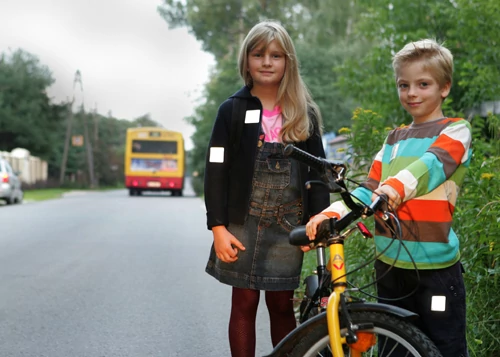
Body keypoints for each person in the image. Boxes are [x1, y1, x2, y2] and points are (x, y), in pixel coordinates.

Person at [306, 39, 472, 357]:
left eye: (423, 84)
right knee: (394, 348)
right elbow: (367, 189)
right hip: (389, 267)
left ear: (444, 88)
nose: (412, 93)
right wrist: (331, 214)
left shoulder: (455, 131)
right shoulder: (393, 140)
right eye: (403, 84)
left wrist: (392, 189)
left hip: (436, 269)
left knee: (445, 346)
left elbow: (432, 166)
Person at [204, 20, 330, 357]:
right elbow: (216, 170)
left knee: (281, 303)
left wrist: (316, 223)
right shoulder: (231, 111)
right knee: (243, 301)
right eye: (258, 54)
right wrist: (217, 227)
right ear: (246, 60)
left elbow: (318, 176)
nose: (267, 62)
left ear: (288, 62)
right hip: (240, 223)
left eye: (276, 55)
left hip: (289, 227)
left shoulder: (304, 115)